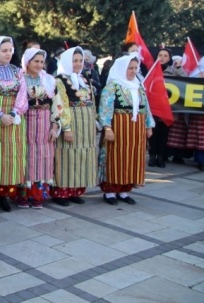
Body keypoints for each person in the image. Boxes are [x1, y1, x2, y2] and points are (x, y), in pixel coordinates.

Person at [98, 54, 155, 205]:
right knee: (115, 157)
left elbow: (146, 107)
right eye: (130, 68)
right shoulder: (112, 87)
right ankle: (110, 192)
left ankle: (124, 191)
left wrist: (149, 125)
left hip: (136, 129)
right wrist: (107, 127)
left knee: (132, 158)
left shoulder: (138, 85)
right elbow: (105, 107)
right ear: (122, 68)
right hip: (118, 127)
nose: (133, 71)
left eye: (135, 68)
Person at [51, 47, 98, 206]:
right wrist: (67, 128)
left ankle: (75, 190)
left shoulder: (84, 79)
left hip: (86, 124)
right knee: (67, 157)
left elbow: (93, 103)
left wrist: (95, 120)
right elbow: (61, 105)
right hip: (72, 122)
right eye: (74, 60)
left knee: (82, 156)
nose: (78, 64)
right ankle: (61, 193)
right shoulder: (59, 80)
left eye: (80, 61)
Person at [0, 36, 28, 212]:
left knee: (13, 157)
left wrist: (14, 112)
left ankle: (5, 195)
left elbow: (23, 94)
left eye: (10, 50)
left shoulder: (17, 71)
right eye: (4, 50)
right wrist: (0, 114)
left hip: (15, 119)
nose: (8, 53)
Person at [18, 48, 62, 208]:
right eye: (35, 61)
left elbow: (57, 104)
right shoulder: (20, 79)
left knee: (44, 158)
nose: (39, 64)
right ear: (27, 62)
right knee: (26, 157)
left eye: (41, 62)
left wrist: (54, 126)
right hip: (25, 122)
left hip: (45, 123)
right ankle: (23, 195)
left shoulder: (50, 80)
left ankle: (38, 196)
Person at [148, 48, 186, 168]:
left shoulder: (174, 71)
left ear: (169, 58)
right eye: (160, 55)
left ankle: (161, 157)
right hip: (153, 108)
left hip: (168, 109)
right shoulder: (151, 71)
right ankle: (152, 156)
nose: (162, 57)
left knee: (164, 134)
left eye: (165, 56)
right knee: (153, 134)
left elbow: (186, 80)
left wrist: (179, 68)